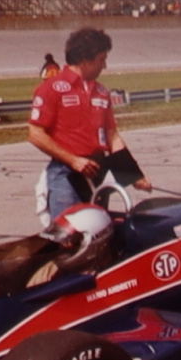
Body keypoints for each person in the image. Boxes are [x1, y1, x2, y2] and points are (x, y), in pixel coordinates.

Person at [28, 27, 151, 220]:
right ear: (85, 59)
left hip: (97, 171)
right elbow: (35, 134)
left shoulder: (102, 91)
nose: (105, 66)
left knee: (98, 232)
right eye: (101, 59)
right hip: (66, 174)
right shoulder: (50, 88)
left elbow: (112, 137)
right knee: (69, 237)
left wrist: (133, 175)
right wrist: (73, 160)